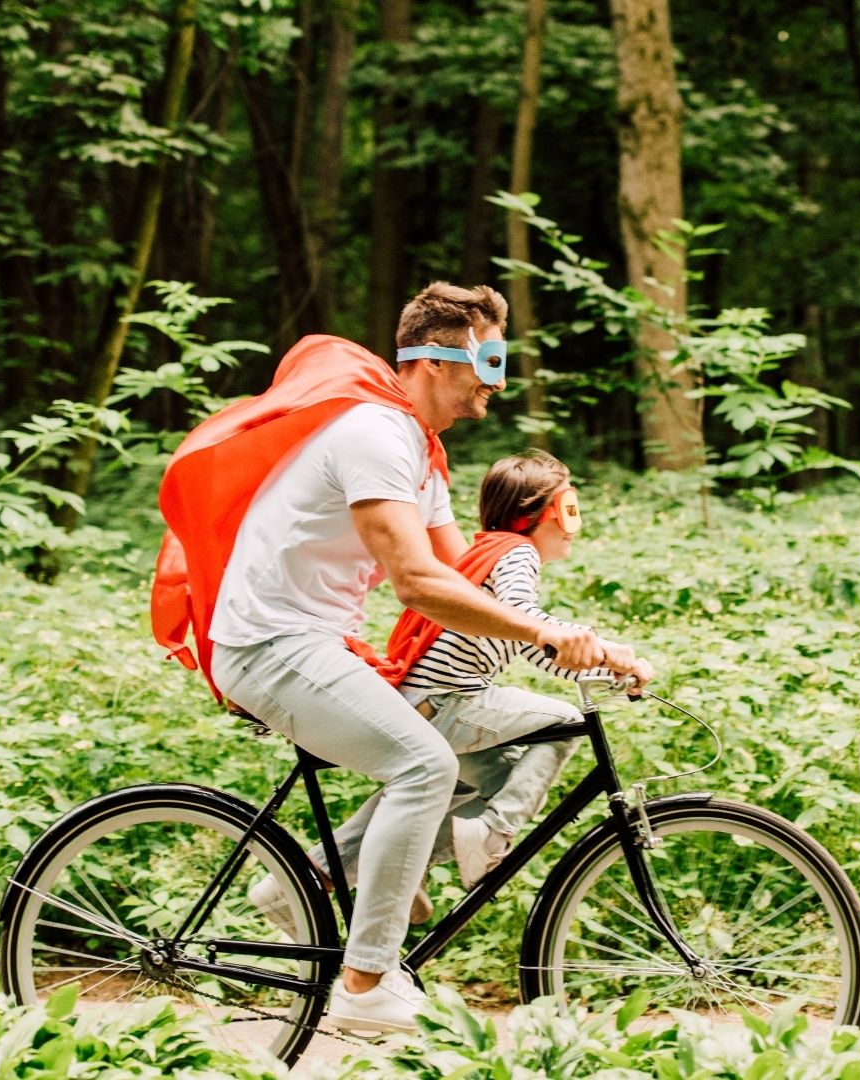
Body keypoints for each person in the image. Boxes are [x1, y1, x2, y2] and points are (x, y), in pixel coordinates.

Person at [155, 282, 647, 1036]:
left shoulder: (420, 452)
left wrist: (589, 647)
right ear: (436, 359)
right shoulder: (375, 433)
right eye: (488, 358)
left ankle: (328, 892)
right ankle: (364, 982)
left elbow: (464, 576)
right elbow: (419, 585)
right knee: (425, 765)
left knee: (458, 759)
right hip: (268, 644)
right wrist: (546, 637)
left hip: (311, 643)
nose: (498, 378)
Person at [271, 450, 654, 920]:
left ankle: (321, 877)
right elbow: (528, 620)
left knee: (482, 782)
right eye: (570, 509)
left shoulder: (489, 554)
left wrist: (605, 671)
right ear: (539, 514)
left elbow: (536, 647)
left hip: (432, 702)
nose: (575, 525)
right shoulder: (517, 553)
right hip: (450, 699)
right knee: (569, 724)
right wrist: (600, 645)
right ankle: (492, 832)